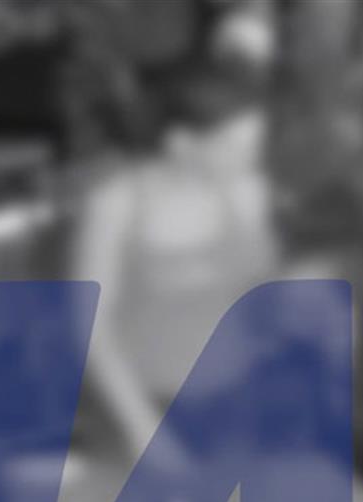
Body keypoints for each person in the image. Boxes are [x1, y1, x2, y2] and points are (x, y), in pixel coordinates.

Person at [70, 60, 279, 465]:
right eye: (235, 148)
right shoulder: (118, 203)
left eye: (255, 144)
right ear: (182, 144)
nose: (250, 158)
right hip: (141, 408)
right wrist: (142, 430)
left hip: (235, 404)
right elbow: (90, 329)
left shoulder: (249, 194)